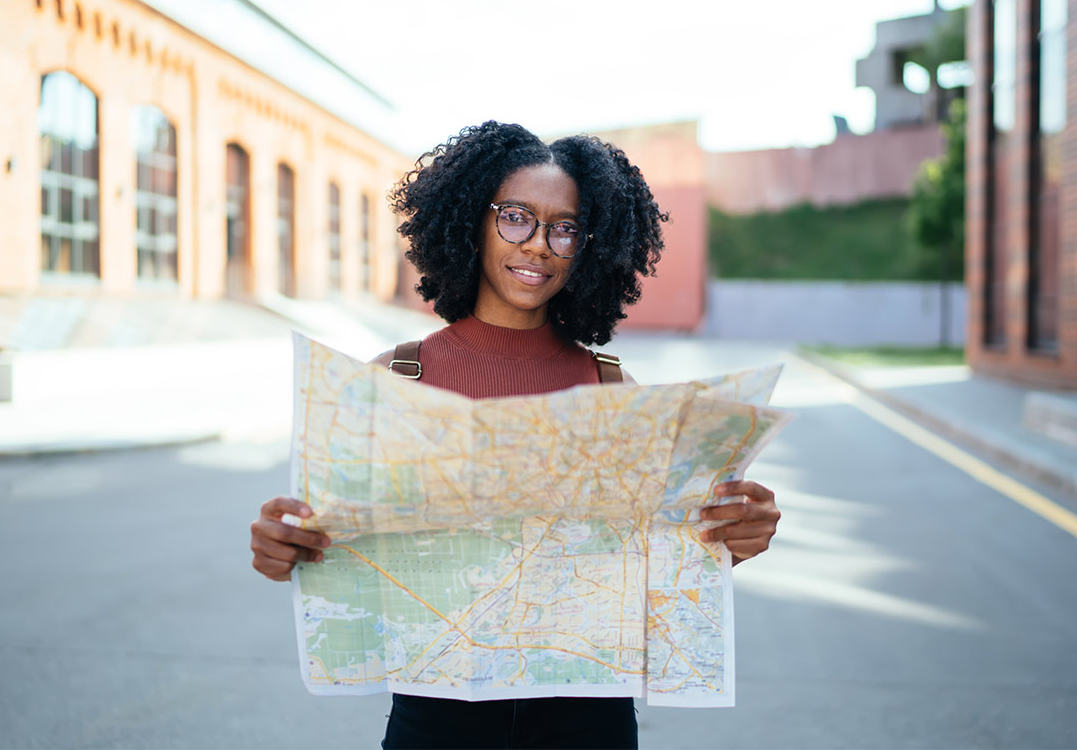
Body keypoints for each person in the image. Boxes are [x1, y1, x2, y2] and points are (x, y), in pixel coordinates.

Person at [250, 121, 781, 749]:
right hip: (435, 717)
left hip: (587, 719)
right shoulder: (390, 381)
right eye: (516, 218)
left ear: (589, 247)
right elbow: (332, 541)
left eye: (564, 228)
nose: (538, 245)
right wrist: (283, 545)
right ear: (472, 221)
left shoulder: (614, 391)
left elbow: (668, 550)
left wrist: (733, 537)